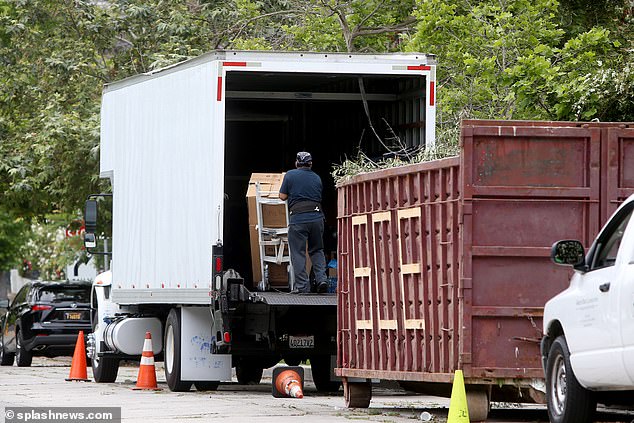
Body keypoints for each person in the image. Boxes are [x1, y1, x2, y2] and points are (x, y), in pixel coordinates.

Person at [279, 152, 328, 293]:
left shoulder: (290, 175)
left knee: (298, 253)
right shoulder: (317, 178)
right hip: (317, 218)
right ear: (311, 163)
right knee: (317, 250)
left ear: (296, 163)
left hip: (298, 219)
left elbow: (282, 196)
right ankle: (321, 279)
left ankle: (302, 287)